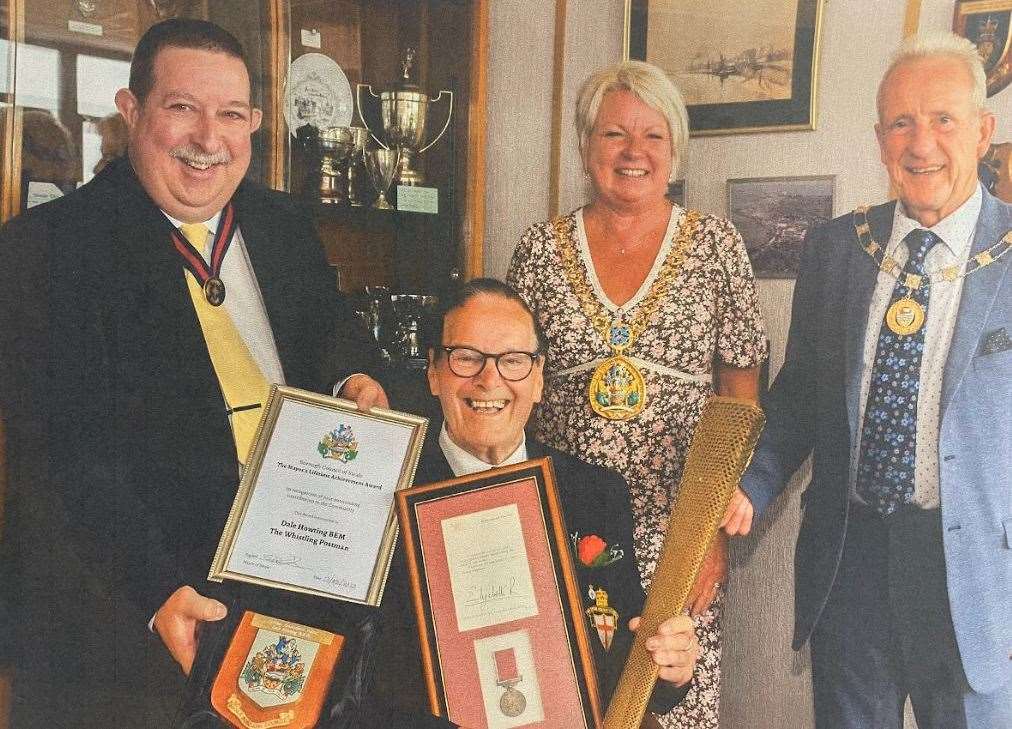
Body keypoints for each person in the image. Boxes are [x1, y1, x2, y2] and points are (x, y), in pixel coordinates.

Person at [0, 18, 386, 728]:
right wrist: (155, 591)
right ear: (131, 111)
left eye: (231, 114)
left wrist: (351, 381)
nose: (209, 139)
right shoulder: (47, 249)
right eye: (183, 107)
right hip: (127, 639)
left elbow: (332, 332)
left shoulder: (280, 225)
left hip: (288, 613)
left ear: (256, 124)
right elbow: (65, 457)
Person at [735, 32, 1010, 729]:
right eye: (901, 122)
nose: (922, 143)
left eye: (943, 119)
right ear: (879, 139)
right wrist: (754, 481)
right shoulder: (837, 248)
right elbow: (800, 394)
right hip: (851, 561)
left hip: (973, 573)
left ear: (983, 130)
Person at [506, 61, 767, 728]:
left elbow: (740, 401)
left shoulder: (717, 246)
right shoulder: (537, 250)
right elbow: (510, 393)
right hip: (567, 526)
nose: (633, 152)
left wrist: (710, 536)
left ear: (674, 148)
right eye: (615, 134)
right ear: (586, 146)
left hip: (674, 534)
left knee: (669, 704)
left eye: (653, 135)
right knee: (566, 694)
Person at [356, 278, 700, 728]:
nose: (489, 379)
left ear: (538, 381)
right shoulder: (381, 490)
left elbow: (629, 658)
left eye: (513, 361)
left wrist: (673, 667)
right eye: (466, 358)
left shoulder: (595, 491)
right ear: (434, 373)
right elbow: (354, 676)